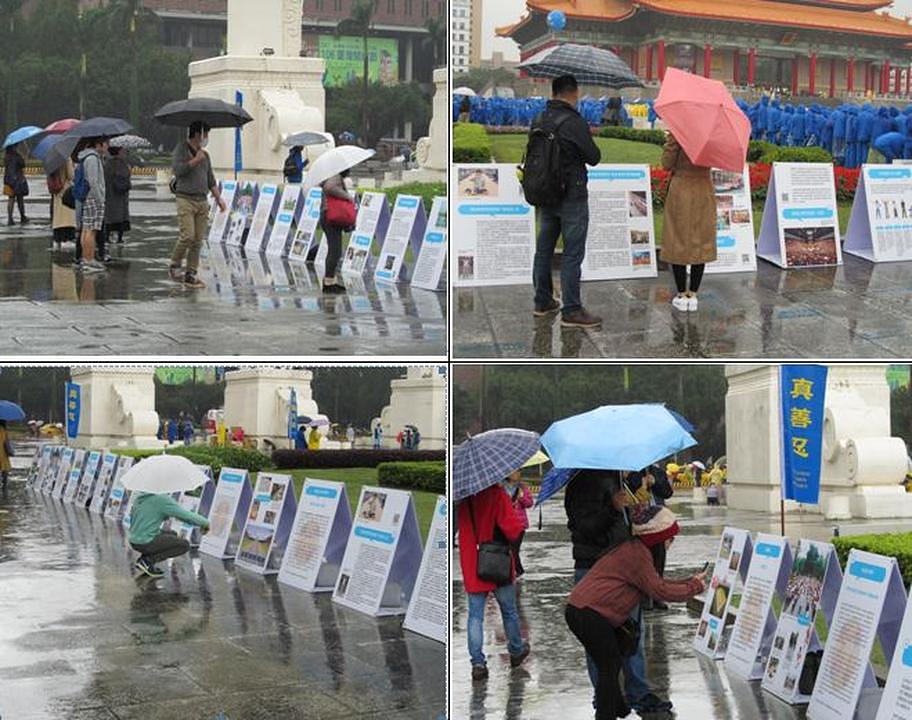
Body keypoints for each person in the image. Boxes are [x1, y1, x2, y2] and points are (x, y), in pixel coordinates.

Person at [565, 506, 706, 720]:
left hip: (583, 611)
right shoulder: (637, 555)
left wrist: (690, 581)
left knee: (610, 665)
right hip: (588, 614)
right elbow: (659, 591)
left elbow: (655, 583)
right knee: (608, 668)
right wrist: (694, 587)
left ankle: (620, 710)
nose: (671, 543)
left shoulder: (635, 549)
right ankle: (607, 715)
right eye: (670, 538)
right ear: (658, 538)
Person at [565, 469, 672, 715]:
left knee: (632, 633)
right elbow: (584, 527)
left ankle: (638, 693)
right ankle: (605, 695)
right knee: (598, 642)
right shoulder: (582, 483)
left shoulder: (618, 479)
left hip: (623, 567)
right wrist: (612, 507)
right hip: (594, 569)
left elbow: (626, 524)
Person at [530, 74, 602, 328]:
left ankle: (543, 300)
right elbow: (593, 156)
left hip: (545, 194)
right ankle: (571, 309)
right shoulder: (573, 121)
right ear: (573, 93)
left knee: (544, 249)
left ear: (554, 92)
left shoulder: (540, 118)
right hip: (571, 196)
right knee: (572, 253)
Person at [458, 482, 529, 681]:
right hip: (498, 562)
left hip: (473, 562)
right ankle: (515, 651)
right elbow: (513, 529)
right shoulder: (497, 494)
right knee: (509, 611)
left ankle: (478, 662)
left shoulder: (465, 495)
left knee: (475, 617)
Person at [660, 132, 716, 313]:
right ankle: (693, 294)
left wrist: (670, 140)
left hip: (681, 189)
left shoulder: (680, 132)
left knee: (678, 238)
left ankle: (681, 294)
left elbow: (666, 164)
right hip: (704, 189)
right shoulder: (712, 134)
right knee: (701, 239)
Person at [170, 121, 227, 289]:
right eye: (206, 134)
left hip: (202, 200)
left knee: (197, 240)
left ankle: (191, 273)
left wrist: (219, 199)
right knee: (187, 235)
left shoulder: (206, 155)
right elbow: (178, 170)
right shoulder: (181, 150)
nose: (206, 138)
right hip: (185, 198)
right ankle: (174, 263)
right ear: (198, 134)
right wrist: (195, 160)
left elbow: (210, 180)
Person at [129, 491, 210, 577]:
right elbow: (184, 515)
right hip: (145, 542)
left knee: (173, 534)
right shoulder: (161, 499)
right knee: (184, 545)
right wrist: (204, 523)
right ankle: (147, 561)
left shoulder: (139, 499)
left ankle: (144, 560)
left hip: (134, 540)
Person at [318, 169, 354, 294]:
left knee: (335, 251)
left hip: (329, 217)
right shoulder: (334, 176)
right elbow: (329, 187)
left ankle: (331, 281)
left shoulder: (331, 175)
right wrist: (347, 196)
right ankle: (328, 283)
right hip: (330, 217)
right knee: (335, 251)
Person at [76, 137, 108, 273]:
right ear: (99, 144)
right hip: (93, 198)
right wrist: (100, 198)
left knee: (86, 229)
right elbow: (93, 182)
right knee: (91, 230)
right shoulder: (92, 159)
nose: (107, 147)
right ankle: (89, 261)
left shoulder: (85, 157)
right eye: (106, 144)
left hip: (88, 198)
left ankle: (86, 259)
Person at [504, 471, 533, 577]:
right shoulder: (501, 487)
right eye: (515, 471)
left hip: (519, 524)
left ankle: (518, 571)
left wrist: (521, 497)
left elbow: (529, 503)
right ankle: (513, 571)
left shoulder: (522, 487)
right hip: (505, 523)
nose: (518, 473)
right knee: (508, 549)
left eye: (519, 471)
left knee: (514, 549)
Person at [103, 145, 132, 244]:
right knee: (122, 216)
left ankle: (107, 237)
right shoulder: (123, 164)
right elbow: (126, 176)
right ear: (118, 152)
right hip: (121, 195)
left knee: (109, 216)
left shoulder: (106, 164)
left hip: (109, 194)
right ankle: (119, 238)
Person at [50, 156, 76, 247]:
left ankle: (57, 239)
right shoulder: (66, 158)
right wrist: (73, 167)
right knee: (67, 217)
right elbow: (71, 175)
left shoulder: (50, 159)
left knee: (58, 217)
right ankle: (67, 238)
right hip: (66, 190)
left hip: (56, 191)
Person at [4, 143, 28, 226]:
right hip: (17, 181)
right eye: (16, 146)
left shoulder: (6, 157)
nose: (17, 147)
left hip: (8, 180)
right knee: (20, 199)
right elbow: (23, 165)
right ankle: (22, 217)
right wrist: (23, 156)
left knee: (11, 199)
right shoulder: (17, 156)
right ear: (13, 147)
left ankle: (10, 219)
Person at [0, 419, 11, 489]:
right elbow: (6, 442)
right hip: (2, 452)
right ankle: (4, 483)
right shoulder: (3, 430)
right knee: (4, 468)